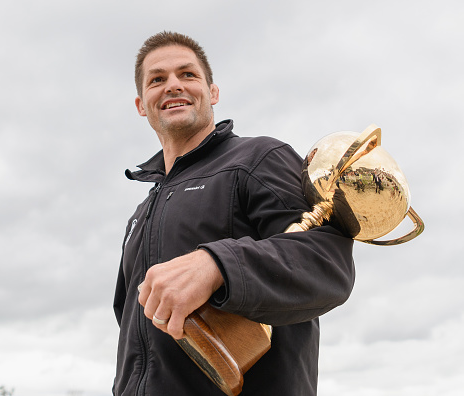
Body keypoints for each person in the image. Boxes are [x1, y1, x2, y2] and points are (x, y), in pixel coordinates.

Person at [113, 31, 355, 396]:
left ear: (213, 92)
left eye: (188, 75)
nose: (173, 85)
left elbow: (327, 263)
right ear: (141, 104)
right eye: (157, 80)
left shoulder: (258, 159)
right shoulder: (140, 213)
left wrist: (217, 264)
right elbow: (132, 329)